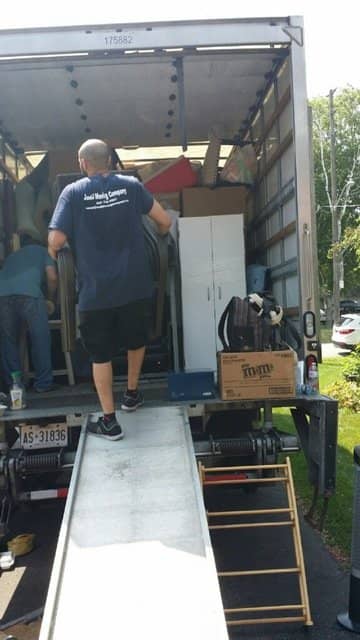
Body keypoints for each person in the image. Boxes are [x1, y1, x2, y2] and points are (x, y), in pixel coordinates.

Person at [48, 138, 171, 441]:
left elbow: (56, 241)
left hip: (95, 293)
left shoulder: (72, 193)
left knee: (99, 356)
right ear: (111, 161)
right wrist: (162, 238)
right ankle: (131, 393)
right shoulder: (131, 186)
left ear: (82, 163)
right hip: (135, 287)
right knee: (136, 340)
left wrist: (55, 256)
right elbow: (164, 221)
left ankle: (109, 421)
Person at [0, 236, 58, 392]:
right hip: (30, 295)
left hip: (2, 295)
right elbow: (52, 277)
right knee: (40, 337)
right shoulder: (44, 251)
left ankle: (14, 385)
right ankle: (43, 384)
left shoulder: (12, 256)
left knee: (8, 340)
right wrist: (51, 299)